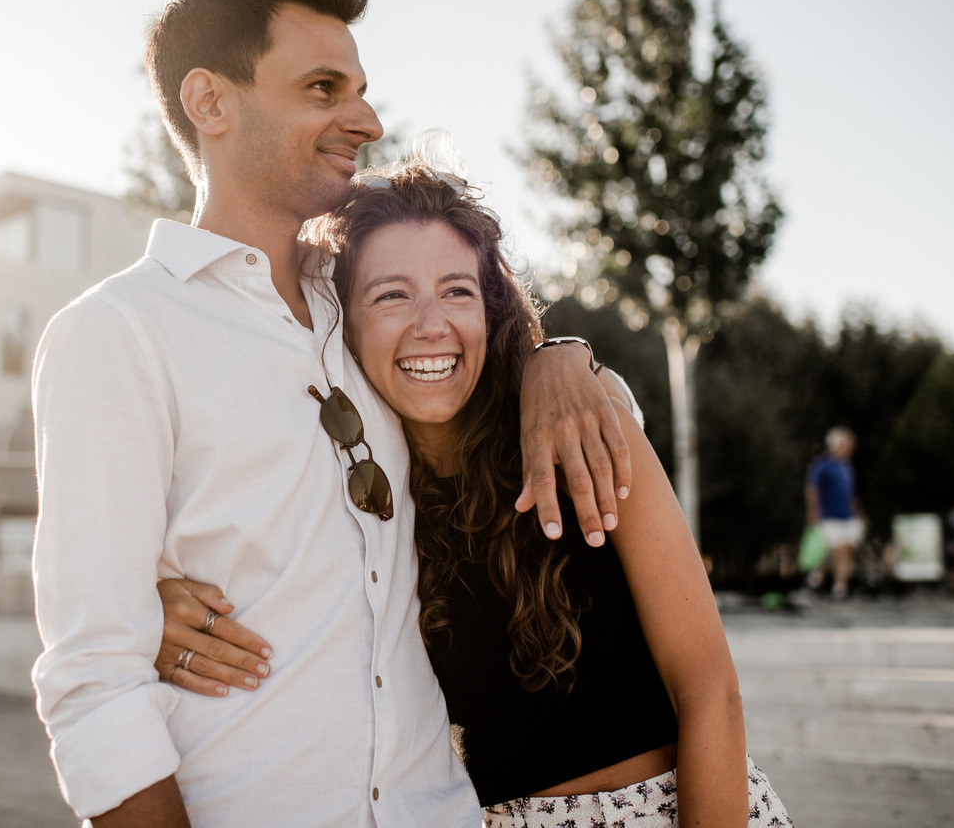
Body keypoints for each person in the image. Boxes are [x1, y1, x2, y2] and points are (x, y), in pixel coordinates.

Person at [30, 0, 630, 826]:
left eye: (362, 92)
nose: (368, 123)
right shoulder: (118, 332)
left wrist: (550, 355)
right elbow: (94, 675)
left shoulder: (368, 311)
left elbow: (500, 374)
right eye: (323, 89)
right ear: (209, 101)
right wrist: (137, 609)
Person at [158, 159, 793, 826]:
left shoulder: (578, 427)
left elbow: (710, 691)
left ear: (491, 310)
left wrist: (562, 353)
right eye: (391, 295)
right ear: (344, 324)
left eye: (456, 291)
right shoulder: (357, 496)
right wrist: (154, 603)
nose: (431, 324)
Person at [804, 426, 863, 600]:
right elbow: (812, 489)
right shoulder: (823, 465)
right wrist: (813, 512)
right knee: (837, 550)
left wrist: (855, 509)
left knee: (847, 549)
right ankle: (828, 581)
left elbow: (849, 492)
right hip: (829, 516)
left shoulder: (846, 465)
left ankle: (837, 586)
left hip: (848, 516)